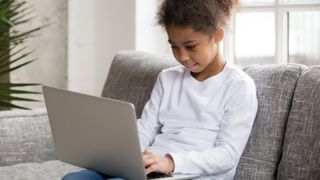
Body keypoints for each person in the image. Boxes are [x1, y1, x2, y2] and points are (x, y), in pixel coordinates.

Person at [62, 0, 258, 179]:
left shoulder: (239, 86)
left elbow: (228, 155)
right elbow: (146, 129)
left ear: (218, 35)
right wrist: (122, 157)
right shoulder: (168, 79)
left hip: (188, 173)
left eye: (190, 46)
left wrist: (171, 162)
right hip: (150, 168)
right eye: (174, 46)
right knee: (73, 179)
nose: (182, 56)